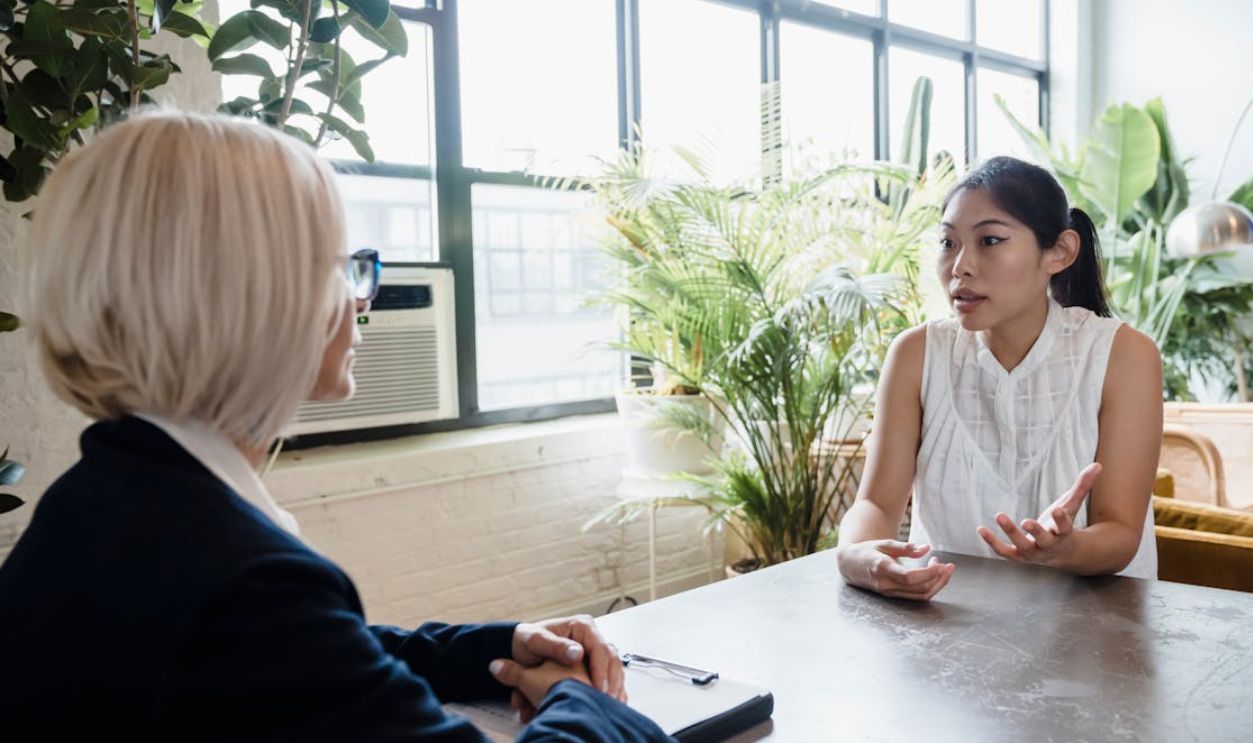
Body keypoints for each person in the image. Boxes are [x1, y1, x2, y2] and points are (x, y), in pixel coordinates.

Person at [0, 111, 671, 741]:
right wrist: (584, 701)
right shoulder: (244, 584)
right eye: (341, 267)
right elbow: (277, 642)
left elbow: (304, 663)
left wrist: (496, 647)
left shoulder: (107, 497)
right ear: (255, 297)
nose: (360, 298)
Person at [837, 156, 1163, 601]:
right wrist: (858, 555)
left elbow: (1121, 533)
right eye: (947, 243)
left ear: (1060, 252)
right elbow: (875, 503)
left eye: (990, 240)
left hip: (1094, 640)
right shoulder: (916, 354)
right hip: (950, 628)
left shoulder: (1124, 354)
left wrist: (1065, 549)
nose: (960, 266)